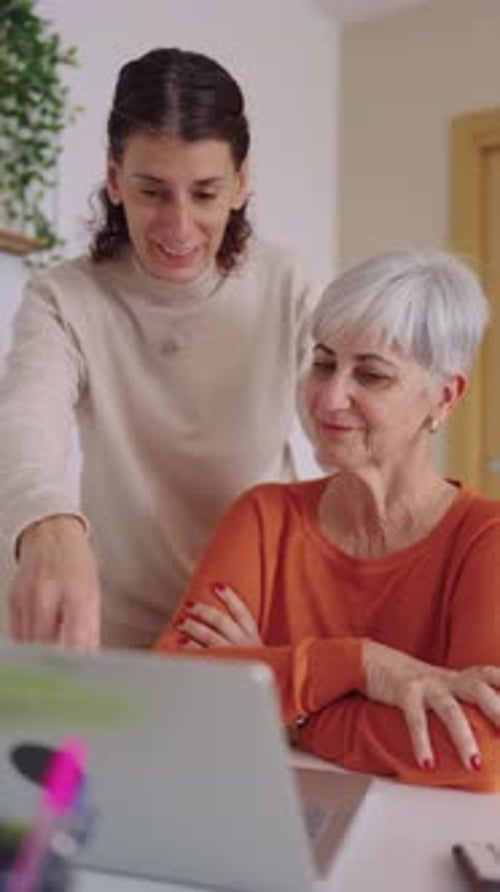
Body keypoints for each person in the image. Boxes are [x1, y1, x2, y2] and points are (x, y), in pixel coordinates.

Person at [0, 48, 317, 649]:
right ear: (115, 179)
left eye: (204, 193)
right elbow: (22, 423)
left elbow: (343, 422)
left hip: (253, 633)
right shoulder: (67, 298)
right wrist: (47, 524)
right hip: (117, 636)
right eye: (152, 191)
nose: (177, 228)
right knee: (68, 752)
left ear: (241, 183)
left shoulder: (286, 283)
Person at [156, 249, 500, 791]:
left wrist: (291, 710)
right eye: (323, 362)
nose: (329, 396)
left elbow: (479, 749)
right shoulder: (264, 518)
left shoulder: (486, 540)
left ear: (444, 397)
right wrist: (359, 665)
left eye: (371, 375)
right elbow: (176, 695)